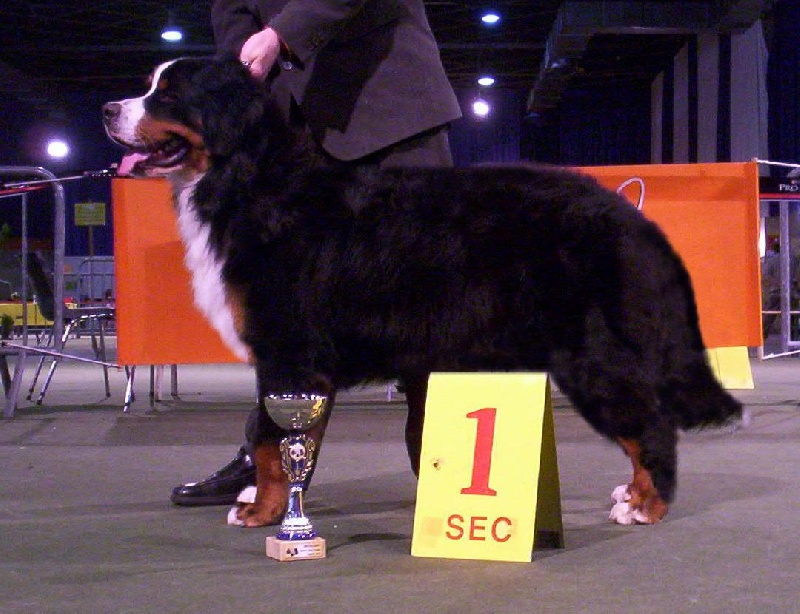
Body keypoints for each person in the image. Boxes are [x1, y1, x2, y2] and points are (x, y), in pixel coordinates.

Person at [171, 0, 461, 506]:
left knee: (423, 299)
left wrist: (280, 35)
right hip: (287, 130)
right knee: (282, 318)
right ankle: (269, 467)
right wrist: (234, 84)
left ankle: (448, 461)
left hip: (388, 111)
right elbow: (234, 15)